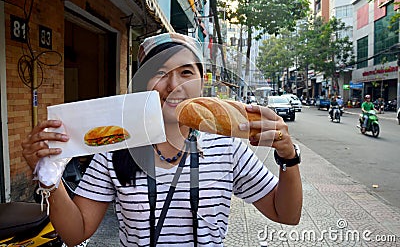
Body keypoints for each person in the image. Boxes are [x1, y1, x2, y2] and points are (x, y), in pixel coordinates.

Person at [21, 33, 302, 246]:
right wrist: (51, 180)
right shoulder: (116, 147)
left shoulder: (226, 147)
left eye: (186, 72)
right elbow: (75, 233)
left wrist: (288, 156)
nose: (174, 85)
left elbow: (285, 214)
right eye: (160, 73)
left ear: (202, 81)